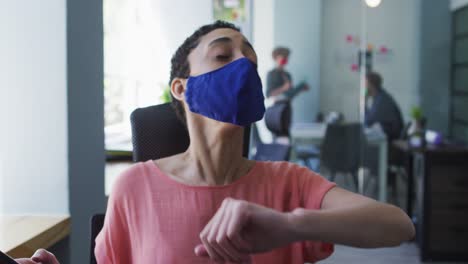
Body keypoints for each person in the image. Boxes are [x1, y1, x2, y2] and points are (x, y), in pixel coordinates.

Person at [17, 21, 414, 264]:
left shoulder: (288, 183)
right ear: (181, 88)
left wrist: (291, 225)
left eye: (252, 63)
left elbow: (397, 226)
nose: (243, 67)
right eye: (223, 55)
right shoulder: (133, 187)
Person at [364, 71, 404, 141]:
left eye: (366, 84)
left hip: (391, 139)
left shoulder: (382, 100)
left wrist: (364, 103)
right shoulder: (380, 96)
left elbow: (368, 122)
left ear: (371, 85)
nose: (364, 87)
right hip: (388, 135)